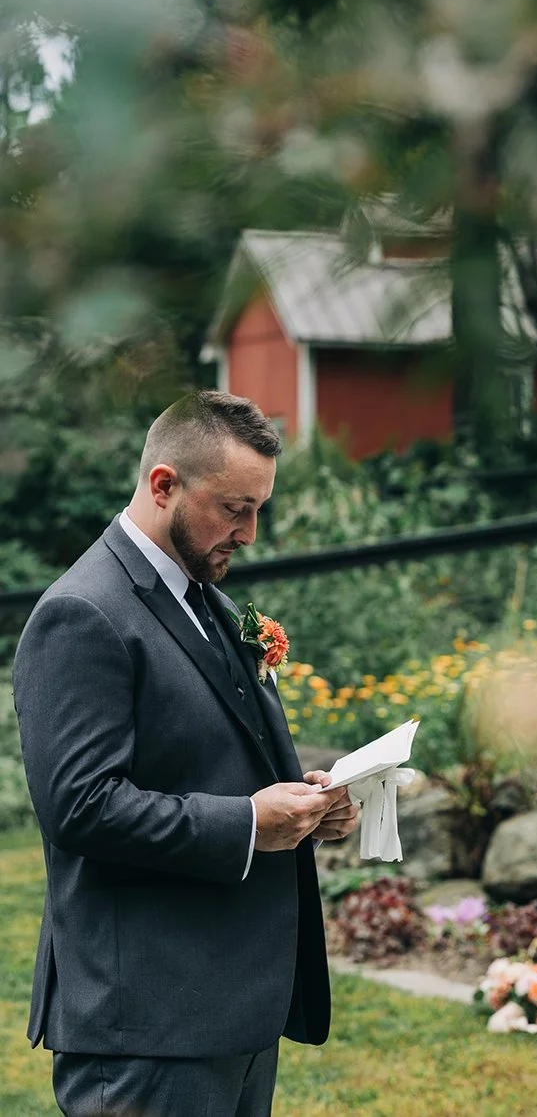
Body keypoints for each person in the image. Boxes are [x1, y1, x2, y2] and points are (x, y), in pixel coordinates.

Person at [13, 390, 359, 1117]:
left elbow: (208, 762)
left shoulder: (213, 603)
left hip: (233, 1009)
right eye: (235, 508)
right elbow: (80, 808)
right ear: (164, 484)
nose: (252, 533)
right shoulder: (83, 613)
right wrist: (247, 824)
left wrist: (304, 805)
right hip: (146, 1023)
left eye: (259, 508)